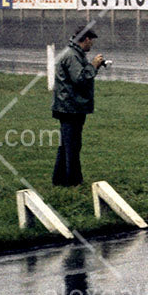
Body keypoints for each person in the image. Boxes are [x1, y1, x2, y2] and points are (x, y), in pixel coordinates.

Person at [52, 27, 105, 186]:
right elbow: (80, 79)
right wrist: (94, 66)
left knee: (66, 146)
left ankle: (59, 179)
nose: (92, 44)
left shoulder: (74, 53)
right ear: (86, 39)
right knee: (72, 147)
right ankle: (74, 182)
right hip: (70, 108)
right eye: (91, 40)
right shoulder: (72, 56)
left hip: (70, 107)